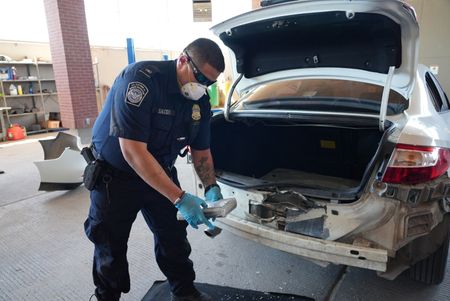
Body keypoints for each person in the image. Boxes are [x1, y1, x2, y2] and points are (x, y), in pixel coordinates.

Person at [84, 38, 225, 301]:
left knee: (174, 238)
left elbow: (201, 150)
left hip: (159, 173)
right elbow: (133, 152)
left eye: (210, 83)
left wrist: (211, 188)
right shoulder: (141, 81)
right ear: (182, 59)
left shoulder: (199, 102)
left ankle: (185, 292)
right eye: (200, 78)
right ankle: (106, 297)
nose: (203, 87)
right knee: (110, 246)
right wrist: (180, 198)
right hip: (115, 177)